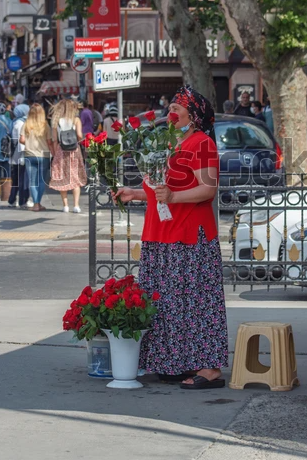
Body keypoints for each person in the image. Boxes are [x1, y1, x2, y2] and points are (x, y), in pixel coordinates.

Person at [113, 85, 228, 388]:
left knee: (195, 302)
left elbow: (208, 189)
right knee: (166, 304)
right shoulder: (167, 144)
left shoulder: (202, 142)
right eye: (171, 106)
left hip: (189, 236)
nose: (171, 111)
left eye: (178, 107)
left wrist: (174, 196)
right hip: (160, 234)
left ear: (195, 115)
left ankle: (208, 369)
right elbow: (157, 191)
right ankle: (172, 363)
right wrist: (135, 193)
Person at [49, 99, 87, 213]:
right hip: (74, 151)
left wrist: (56, 153)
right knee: (75, 177)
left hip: (61, 150)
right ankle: (76, 205)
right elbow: (79, 135)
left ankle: (65, 206)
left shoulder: (56, 121)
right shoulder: (76, 120)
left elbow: (55, 140)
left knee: (63, 177)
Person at [20, 103, 53, 212]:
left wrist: (30, 142)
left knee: (32, 181)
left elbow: (22, 140)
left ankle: (36, 204)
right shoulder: (45, 125)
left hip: (30, 155)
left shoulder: (26, 124)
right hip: (44, 155)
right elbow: (49, 142)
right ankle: (38, 203)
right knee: (41, 180)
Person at [8, 104, 30, 208]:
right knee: (22, 180)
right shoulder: (21, 123)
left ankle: (12, 200)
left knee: (16, 180)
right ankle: (22, 201)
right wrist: (24, 155)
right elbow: (21, 142)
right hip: (21, 156)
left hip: (15, 157)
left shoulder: (15, 122)